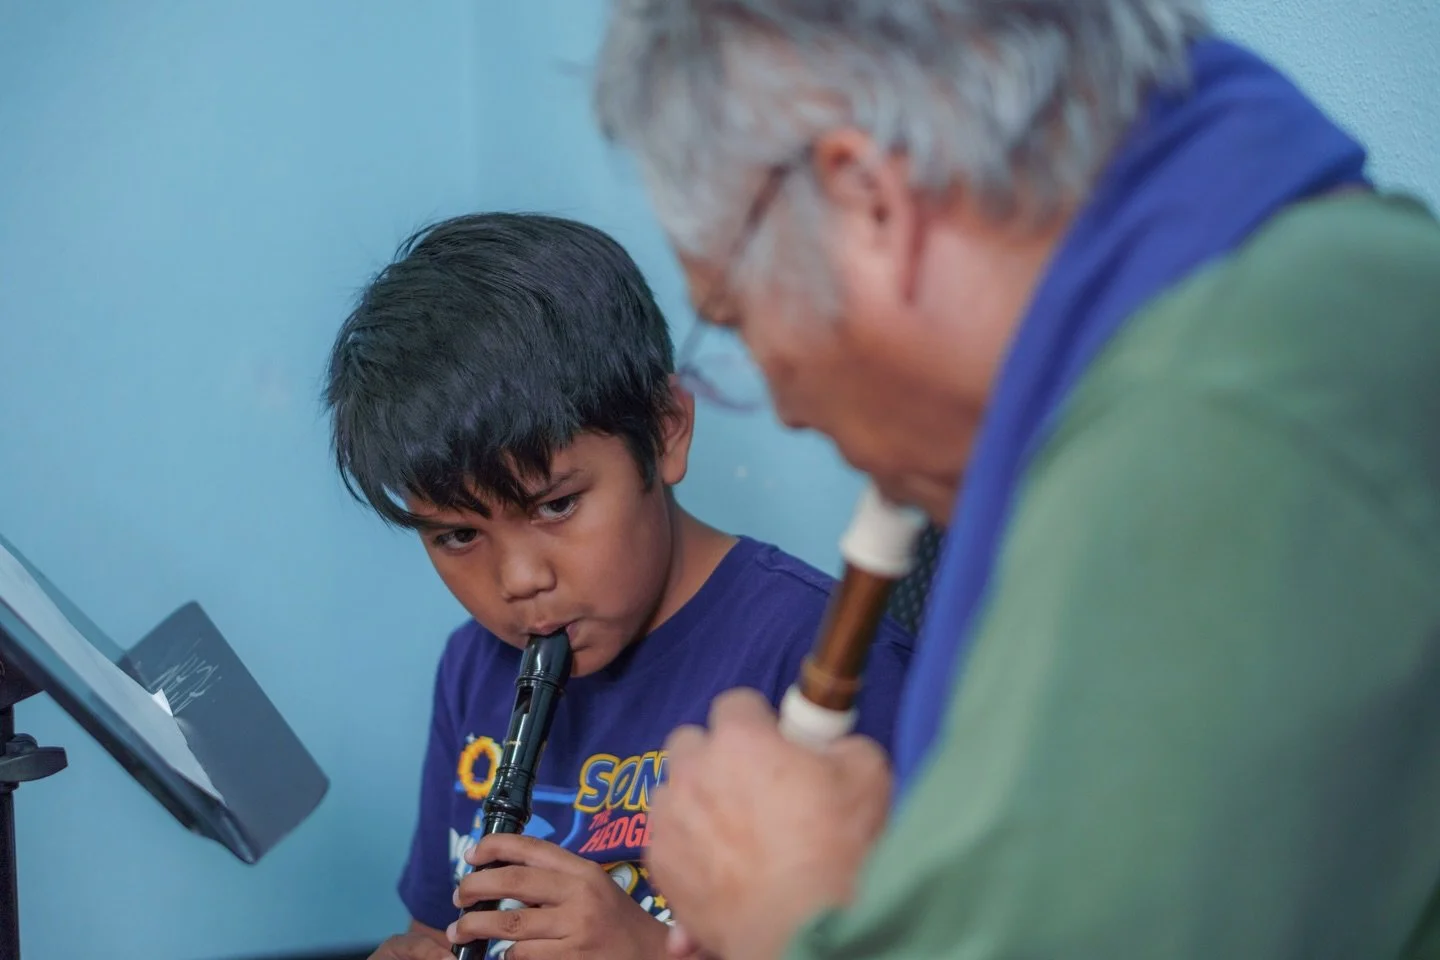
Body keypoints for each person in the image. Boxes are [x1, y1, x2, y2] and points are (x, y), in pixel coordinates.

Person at [591, 1, 1440, 958]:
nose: (784, 410)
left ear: (868, 200)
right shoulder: (1315, 278)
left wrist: (786, 917)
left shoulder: (1205, 435)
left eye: (736, 318)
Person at [322, 213, 914, 959]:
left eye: (557, 505)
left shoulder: (825, 658)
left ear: (665, 432)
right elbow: (439, 929)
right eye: (458, 536)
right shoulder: (472, 669)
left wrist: (645, 950)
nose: (520, 580)